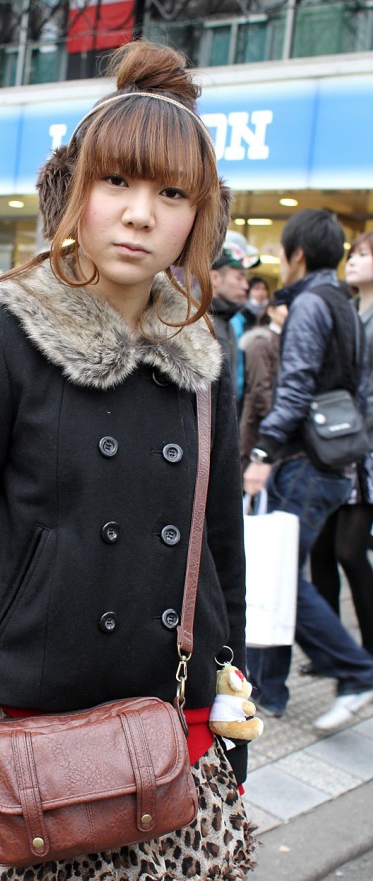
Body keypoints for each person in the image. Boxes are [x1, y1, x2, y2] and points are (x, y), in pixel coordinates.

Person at [0, 40, 256, 881]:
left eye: (172, 192)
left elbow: (217, 551)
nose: (141, 214)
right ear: (72, 190)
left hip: (161, 730)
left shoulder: (203, 360)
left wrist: (229, 718)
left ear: (200, 216)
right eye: (117, 181)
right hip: (27, 741)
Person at [243, 209, 373, 729]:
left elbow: (294, 388)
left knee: (277, 578)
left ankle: (355, 669)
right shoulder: (346, 303)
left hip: (303, 460)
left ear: (296, 254)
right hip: (336, 458)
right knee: (280, 572)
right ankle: (268, 689)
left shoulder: (311, 306)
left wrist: (262, 454)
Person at [309, 232, 373, 658]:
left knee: (350, 551)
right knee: (321, 550)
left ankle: (367, 650)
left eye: (365, 255)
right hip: (337, 443)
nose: (353, 261)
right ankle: (332, 652)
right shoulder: (348, 310)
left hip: (363, 450)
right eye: (352, 254)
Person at [210, 230, 259, 404]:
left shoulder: (229, 319)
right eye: (239, 277)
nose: (246, 286)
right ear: (215, 277)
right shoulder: (197, 323)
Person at [239, 298, 288, 472]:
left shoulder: (288, 340)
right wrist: (281, 421)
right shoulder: (261, 342)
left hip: (274, 424)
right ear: (271, 311)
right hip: (259, 425)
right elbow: (260, 388)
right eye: (285, 306)